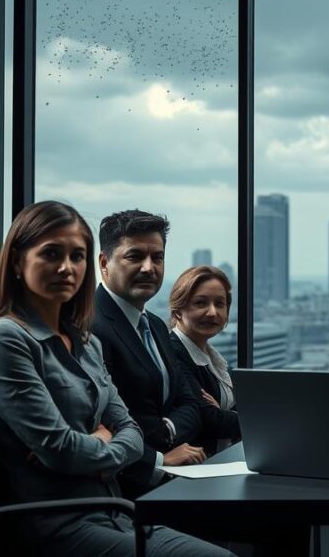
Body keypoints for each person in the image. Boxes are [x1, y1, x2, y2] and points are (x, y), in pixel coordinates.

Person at [0, 200, 232, 556]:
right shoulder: (5, 339)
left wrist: (96, 444)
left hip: (114, 513)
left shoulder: (86, 343)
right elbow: (62, 450)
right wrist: (102, 443)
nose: (67, 268)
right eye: (52, 254)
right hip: (53, 525)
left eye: (76, 256)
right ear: (18, 262)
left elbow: (128, 432)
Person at [92, 210, 204, 497]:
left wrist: (167, 430)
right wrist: (157, 459)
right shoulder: (90, 326)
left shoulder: (154, 324)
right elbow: (100, 422)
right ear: (105, 263)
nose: (148, 267)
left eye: (157, 257)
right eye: (135, 257)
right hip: (127, 488)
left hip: (176, 473)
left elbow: (189, 400)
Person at [167, 266, 240, 456]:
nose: (212, 312)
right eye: (200, 303)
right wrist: (237, 417)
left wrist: (227, 415)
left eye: (220, 304)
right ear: (177, 311)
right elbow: (210, 420)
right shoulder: (173, 352)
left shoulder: (214, 359)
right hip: (193, 469)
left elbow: (238, 409)